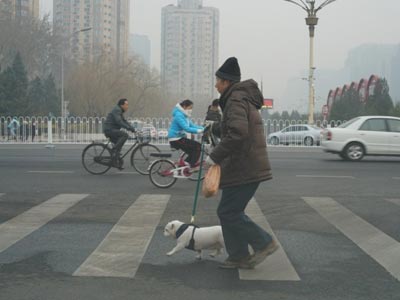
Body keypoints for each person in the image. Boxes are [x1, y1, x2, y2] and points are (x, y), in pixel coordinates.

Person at [205, 57, 278, 269]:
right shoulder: (237, 98)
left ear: (227, 82)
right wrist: (215, 129)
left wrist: (215, 156)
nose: (216, 85)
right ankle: (238, 256)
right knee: (228, 211)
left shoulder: (235, 99)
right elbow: (234, 127)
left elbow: (238, 134)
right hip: (240, 165)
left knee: (229, 212)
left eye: (218, 80)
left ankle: (264, 243)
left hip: (245, 166)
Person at [168, 99, 204, 168]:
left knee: (192, 152)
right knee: (198, 146)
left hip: (179, 137)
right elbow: (187, 128)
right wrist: (199, 131)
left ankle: (184, 167)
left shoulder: (184, 115)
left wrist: (203, 128)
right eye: (190, 108)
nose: (191, 110)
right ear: (184, 106)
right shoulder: (179, 115)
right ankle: (191, 167)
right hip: (175, 139)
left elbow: (192, 125)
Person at [103, 98, 136, 169]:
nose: (127, 106)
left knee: (120, 144)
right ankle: (114, 150)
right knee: (125, 135)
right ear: (122, 105)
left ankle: (115, 159)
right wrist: (128, 128)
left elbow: (124, 121)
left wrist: (132, 128)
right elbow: (119, 122)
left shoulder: (119, 111)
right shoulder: (117, 110)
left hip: (112, 129)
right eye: (126, 105)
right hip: (109, 130)